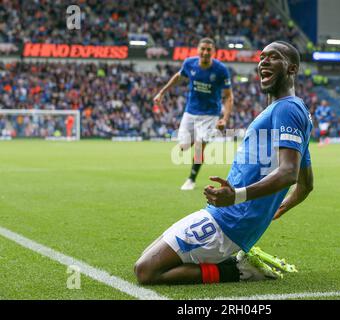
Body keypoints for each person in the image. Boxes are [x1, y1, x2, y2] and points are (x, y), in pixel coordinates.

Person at [134, 41, 314, 285]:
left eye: (273, 57)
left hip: (229, 221)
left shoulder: (287, 110)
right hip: (229, 216)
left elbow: (289, 173)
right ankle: (234, 263)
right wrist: (279, 206)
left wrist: (236, 196)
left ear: (292, 69)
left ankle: (239, 271)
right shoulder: (294, 110)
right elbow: (306, 185)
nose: (264, 62)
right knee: (151, 258)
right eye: (262, 58)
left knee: (146, 270)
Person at [153, 38, 234, 190]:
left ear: (213, 52)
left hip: (210, 114)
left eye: (208, 50)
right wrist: (162, 92)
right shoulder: (189, 63)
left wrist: (225, 118)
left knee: (199, 146)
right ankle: (197, 139)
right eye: (202, 49)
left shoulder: (221, 70)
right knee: (183, 146)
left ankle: (191, 179)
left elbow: (229, 96)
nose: (205, 52)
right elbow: (178, 76)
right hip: (190, 111)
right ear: (198, 49)